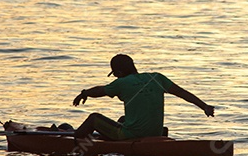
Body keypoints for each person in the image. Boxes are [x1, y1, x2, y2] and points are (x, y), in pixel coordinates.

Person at [72, 54, 215, 141]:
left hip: (132, 135)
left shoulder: (121, 82)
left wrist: (84, 93)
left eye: (114, 74)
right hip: (155, 133)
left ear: (119, 72)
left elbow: (99, 90)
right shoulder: (156, 78)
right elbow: (183, 93)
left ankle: (77, 143)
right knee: (123, 120)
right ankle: (106, 138)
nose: (115, 77)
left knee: (94, 118)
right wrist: (204, 106)